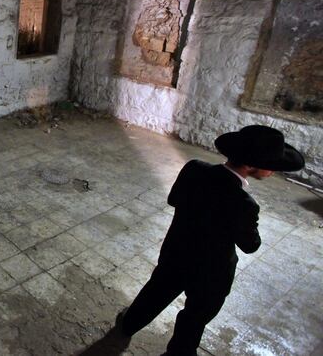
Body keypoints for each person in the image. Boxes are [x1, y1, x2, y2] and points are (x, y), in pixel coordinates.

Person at [113, 125, 305, 355]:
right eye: (271, 165)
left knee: (156, 292)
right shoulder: (245, 204)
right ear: (251, 164)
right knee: (194, 317)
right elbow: (251, 245)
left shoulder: (194, 168)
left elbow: (174, 199)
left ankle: (128, 324)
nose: (273, 171)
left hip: (177, 252)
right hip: (211, 273)